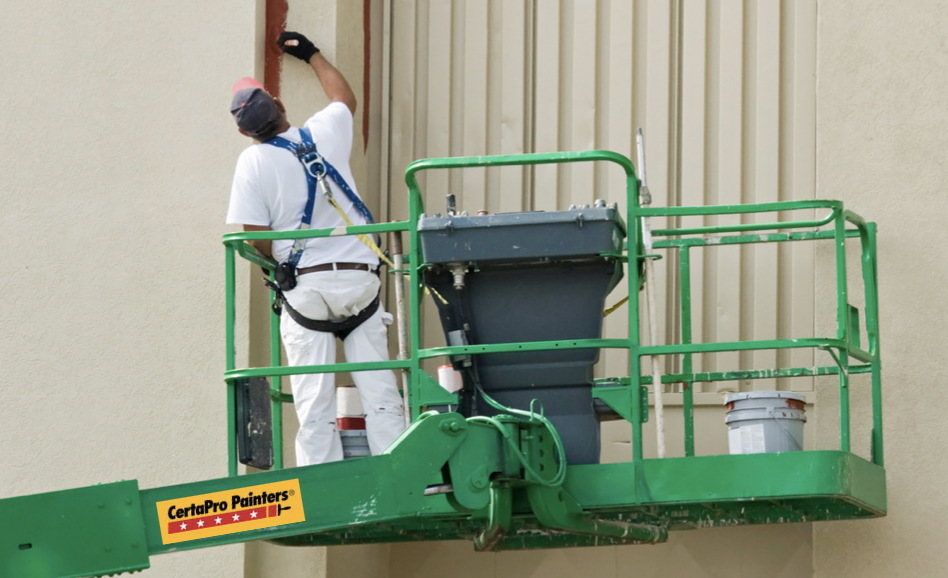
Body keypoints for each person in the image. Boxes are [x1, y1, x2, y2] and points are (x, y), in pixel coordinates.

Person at [226, 31, 405, 466]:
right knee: (380, 393)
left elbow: (256, 240)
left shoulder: (252, 162)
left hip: (307, 291)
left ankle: (322, 486)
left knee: (314, 404)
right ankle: (405, 476)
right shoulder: (324, 133)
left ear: (243, 131)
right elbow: (344, 97)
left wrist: (277, 268)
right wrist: (310, 54)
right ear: (282, 108)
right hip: (361, 282)